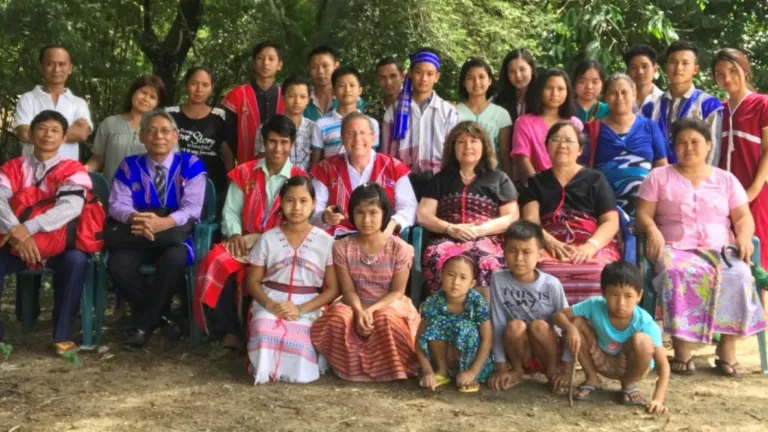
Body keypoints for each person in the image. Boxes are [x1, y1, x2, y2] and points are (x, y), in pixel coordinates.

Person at [636, 118, 767, 377]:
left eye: (695, 142)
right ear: (674, 147)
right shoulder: (658, 177)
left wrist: (743, 237)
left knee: (739, 275)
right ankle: (683, 351)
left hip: (721, 249)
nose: (689, 148)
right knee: (678, 274)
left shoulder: (726, 179)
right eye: (681, 143)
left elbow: (743, 218)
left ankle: (726, 350)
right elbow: (643, 215)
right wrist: (652, 231)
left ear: (709, 145)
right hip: (675, 248)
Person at [194, 116, 308, 348]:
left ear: (292, 144)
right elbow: (231, 210)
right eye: (272, 142)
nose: (278, 148)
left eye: (284, 142)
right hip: (245, 238)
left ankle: (269, 326)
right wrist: (235, 235)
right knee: (219, 260)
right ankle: (229, 330)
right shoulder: (244, 172)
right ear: (264, 143)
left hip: (281, 241)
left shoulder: (299, 178)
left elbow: (301, 215)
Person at [107, 110, 207, 348]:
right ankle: (161, 316)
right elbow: (116, 204)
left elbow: (193, 208)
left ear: (174, 136)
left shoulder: (190, 164)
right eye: (151, 130)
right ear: (142, 136)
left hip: (176, 236)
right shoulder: (130, 165)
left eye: (164, 131)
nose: (158, 136)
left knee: (172, 261)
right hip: (138, 235)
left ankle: (142, 326)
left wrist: (163, 222)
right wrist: (136, 218)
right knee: (117, 266)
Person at [0, 111, 93, 356]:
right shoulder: (11, 168)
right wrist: (18, 234)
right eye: (41, 128)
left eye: (55, 130)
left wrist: (27, 229)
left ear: (63, 138)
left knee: (77, 261)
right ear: (30, 134)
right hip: (16, 245)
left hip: (58, 244)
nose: (47, 134)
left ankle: (62, 334)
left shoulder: (74, 170)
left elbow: (70, 208)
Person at [311, 183, 420, 382]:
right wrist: (360, 310)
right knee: (339, 316)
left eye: (373, 212)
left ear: (384, 213)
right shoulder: (342, 246)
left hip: (389, 303)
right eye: (359, 212)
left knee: (384, 318)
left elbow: (397, 292)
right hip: (355, 302)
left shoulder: (400, 249)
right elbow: (348, 289)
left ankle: (392, 368)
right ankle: (346, 366)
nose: (366, 220)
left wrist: (371, 311)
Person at [245, 176, 339, 384]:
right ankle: (264, 371)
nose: (296, 207)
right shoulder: (268, 238)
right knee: (263, 328)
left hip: (308, 304)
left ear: (314, 204)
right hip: (270, 300)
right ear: (281, 202)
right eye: (290, 200)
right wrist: (270, 305)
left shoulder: (326, 241)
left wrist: (300, 310)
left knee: (300, 340)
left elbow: (332, 289)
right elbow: (252, 282)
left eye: (304, 201)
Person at [520, 122, 621, 304]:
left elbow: (611, 222)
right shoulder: (535, 182)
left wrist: (591, 246)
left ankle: (591, 326)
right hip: (548, 242)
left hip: (591, 242)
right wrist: (549, 242)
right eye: (556, 139)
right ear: (547, 146)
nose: (562, 145)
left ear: (580, 150)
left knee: (600, 271)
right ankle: (551, 327)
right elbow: (531, 221)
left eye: (569, 140)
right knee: (543, 270)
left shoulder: (595, 179)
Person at [552, 261, 670, 413]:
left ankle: (629, 383)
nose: (621, 303)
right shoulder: (594, 305)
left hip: (631, 365)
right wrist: (570, 328)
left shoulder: (645, 321)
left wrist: (658, 399)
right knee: (576, 322)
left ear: (639, 296)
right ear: (603, 292)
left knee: (643, 341)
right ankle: (592, 377)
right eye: (614, 294)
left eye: (628, 296)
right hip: (601, 358)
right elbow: (558, 315)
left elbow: (663, 365)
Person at [417, 121, 518, 296]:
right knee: (436, 255)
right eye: (461, 142)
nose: (467, 146)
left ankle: (482, 320)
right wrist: (450, 228)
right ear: (453, 148)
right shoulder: (440, 179)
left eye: (474, 141)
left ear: (484, 146)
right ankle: (442, 316)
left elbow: (511, 217)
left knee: (487, 260)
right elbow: (423, 214)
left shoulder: (498, 178)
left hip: (486, 239)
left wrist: (480, 230)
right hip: (446, 238)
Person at [487, 220, 570, 392]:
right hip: (518, 348)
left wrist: (567, 370)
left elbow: (566, 326)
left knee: (539, 325)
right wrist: (501, 368)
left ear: (540, 255)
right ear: (504, 252)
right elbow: (498, 322)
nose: (518, 259)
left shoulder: (551, 284)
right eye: (512, 251)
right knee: (514, 325)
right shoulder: (498, 279)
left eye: (526, 252)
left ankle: (551, 371)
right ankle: (516, 370)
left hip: (546, 348)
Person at [311, 112, 416, 238]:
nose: (357, 139)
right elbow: (311, 209)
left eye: (362, 133)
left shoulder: (393, 167)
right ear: (342, 139)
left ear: (373, 137)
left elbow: (409, 208)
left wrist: (393, 223)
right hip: (339, 240)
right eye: (350, 134)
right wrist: (324, 216)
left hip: (382, 238)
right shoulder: (325, 168)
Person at [712, 48, 768, 274]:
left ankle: (762, 308)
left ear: (745, 70)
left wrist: (754, 188)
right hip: (725, 194)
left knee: (758, 251)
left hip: (755, 191)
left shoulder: (762, 104)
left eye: (733, 71)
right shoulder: (719, 111)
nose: (727, 78)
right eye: (720, 74)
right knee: (731, 250)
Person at [580, 73, 667, 216]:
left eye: (624, 92)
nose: (619, 98)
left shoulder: (650, 127)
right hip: (604, 210)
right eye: (613, 93)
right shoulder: (591, 130)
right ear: (605, 98)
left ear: (634, 94)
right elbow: (581, 171)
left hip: (646, 209)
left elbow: (662, 166)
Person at [382, 48, 459, 197]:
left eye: (430, 74)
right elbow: (386, 154)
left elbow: (454, 153)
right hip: (402, 181)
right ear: (410, 73)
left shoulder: (448, 112)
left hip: (439, 181)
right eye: (419, 72)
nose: (424, 78)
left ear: (437, 77)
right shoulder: (394, 112)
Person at [416, 254, 494, 393]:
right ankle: (442, 370)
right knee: (434, 324)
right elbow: (419, 339)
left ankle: (466, 374)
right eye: (451, 275)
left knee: (465, 327)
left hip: (473, 363)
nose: (456, 282)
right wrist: (427, 371)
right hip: (446, 356)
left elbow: (487, 340)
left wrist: (472, 372)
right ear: (441, 276)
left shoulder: (476, 302)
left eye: (463, 278)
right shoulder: (433, 302)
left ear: (472, 283)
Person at [641, 40, 723, 165]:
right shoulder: (651, 106)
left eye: (685, 63)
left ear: (695, 69)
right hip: (657, 177)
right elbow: (643, 144)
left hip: (694, 179)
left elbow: (714, 151)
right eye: (673, 62)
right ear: (666, 67)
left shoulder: (709, 105)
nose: (679, 68)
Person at [167, 67, 232, 211]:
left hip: (211, 186)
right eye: (194, 83)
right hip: (174, 185)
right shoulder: (170, 115)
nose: (199, 89)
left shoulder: (220, 117)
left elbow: (228, 157)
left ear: (211, 89)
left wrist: (229, 188)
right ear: (186, 86)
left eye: (205, 85)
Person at [14, 45, 92, 160]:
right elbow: (24, 134)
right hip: (31, 172)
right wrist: (68, 131)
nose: (56, 69)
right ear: (41, 67)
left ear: (70, 68)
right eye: (50, 64)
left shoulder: (79, 103)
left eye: (62, 64)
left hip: (66, 172)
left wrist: (38, 132)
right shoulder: (28, 99)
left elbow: (82, 133)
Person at [86, 75, 167, 182]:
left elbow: (169, 166)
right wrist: (81, 173)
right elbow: (97, 159)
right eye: (143, 92)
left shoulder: (162, 130)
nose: (146, 99)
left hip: (146, 196)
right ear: (133, 93)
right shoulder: (110, 123)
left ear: (157, 104)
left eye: (152, 97)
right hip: (110, 194)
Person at [511, 68, 583, 183]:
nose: (555, 94)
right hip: (536, 187)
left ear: (568, 92)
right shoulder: (524, 122)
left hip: (570, 186)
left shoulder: (575, 124)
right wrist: (539, 187)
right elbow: (523, 159)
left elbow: (579, 160)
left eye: (560, 89)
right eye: (549, 88)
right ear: (540, 90)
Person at [222, 41, 285, 164]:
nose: (265, 63)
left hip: (280, 169)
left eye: (271, 59)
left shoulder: (286, 97)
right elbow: (228, 138)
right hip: (245, 167)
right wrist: (230, 171)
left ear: (280, 65)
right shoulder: (237, 95)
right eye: (260, 58)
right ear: (254, 63)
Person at [310, 66, 380, 165]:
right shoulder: (321, 124)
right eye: (341, 85)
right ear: (333, 90)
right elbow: (316, 163)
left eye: (352, 85)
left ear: (360, 90)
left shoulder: (372, 124)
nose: (347, 90)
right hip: (331, 178)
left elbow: (374, 158)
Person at [457, 58, 513, 175]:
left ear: (490, 80)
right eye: (470, 78)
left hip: (492, 177)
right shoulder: (453, 112)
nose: (476, 82)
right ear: (463, 82)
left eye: (481, 77)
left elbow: (504, 154)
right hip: (460, 176)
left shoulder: (501, 114)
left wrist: (509, 184)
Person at [255, 75, 315, 171]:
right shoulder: (268, 127)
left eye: (302, 97)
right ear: (283, 98)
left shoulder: (314, 129)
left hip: (303, 184)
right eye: (291, 96)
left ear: (308, 100)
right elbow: (261, 161)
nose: (297, 101)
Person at [303, 46, 365, 121]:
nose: (320, 71)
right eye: (314, 67)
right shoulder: (302, 98)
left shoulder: (354, 100)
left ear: (336, 66)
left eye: (325, 66)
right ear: (308, 69)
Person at [494, 48, 536, 125]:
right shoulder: (498, 99)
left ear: (532, 69)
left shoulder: (541, 97)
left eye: (522, 69)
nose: (518, 76)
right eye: (512, 71)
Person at [363, 57, 405, 132]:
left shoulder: (413, 105)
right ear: (378, 79)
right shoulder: (370, 110)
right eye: (383, 77)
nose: (388, 82)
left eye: (393, 76)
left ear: (402, 77)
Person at [624, 44, 663, 114]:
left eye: (644, 66)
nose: (640, 72)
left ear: (655, 69)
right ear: (627, 72)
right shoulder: (621, 101)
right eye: (633, 68)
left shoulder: (664, 100)